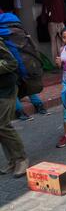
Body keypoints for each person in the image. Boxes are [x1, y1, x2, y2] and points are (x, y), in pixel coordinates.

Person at [0, 38, 29, 177]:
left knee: (3, 125)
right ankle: (12, 160)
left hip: (6, 89)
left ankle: (21, 159)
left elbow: (12, 63)